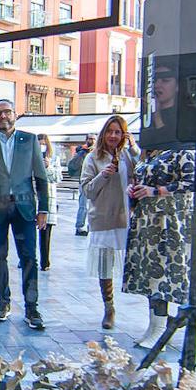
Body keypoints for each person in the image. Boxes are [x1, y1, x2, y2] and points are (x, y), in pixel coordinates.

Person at [0, 98, 49, 330]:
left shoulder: (30, 140)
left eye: (7, 112)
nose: (3, 116)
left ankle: (31, 307)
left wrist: (43, 208)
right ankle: (3, 302)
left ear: (15, 114)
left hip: (24, 209)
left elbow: (41, 178)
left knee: (29, 258)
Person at [123, 148, 196, 348]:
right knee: (150, 276)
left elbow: (191, 183)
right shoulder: (149, 154)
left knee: (161, 276)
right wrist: (134, 190)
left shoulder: (182, 153)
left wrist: (156, 191)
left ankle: (160, 329)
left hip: (168, 222)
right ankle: (154, 327)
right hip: (147, 222)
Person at [82, 115, 138, 330]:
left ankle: (156, 312)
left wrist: (133, 148)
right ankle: (109, 307)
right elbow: (87, 190)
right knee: (105, 265)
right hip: (104, 217)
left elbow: (142, 170)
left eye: (118, 132)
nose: (113, 136)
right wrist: (103, 175)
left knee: (132, 263)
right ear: (104, 133)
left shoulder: (127, 156)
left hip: (127, 217)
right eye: (110, 131)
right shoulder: (93, 158)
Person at [37, 133, 61, 270]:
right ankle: (27, 258)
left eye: (43, 144)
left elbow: (57, 178)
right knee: (28, 231)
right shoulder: (30, 157)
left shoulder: (53, 158)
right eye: (39, 144)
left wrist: (48, 167)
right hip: (33, 197)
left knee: (46, 231)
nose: (41, 147)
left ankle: (45, 261)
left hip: (49, 197)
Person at [68, 135, 93, 235]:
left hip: (98, 182)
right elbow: (74, 165)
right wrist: (82, 152)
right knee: (83, 206)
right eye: (90, 139)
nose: (92, 141)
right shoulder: (81, 153)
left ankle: (91, 226)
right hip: (84, 182)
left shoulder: (98, 152)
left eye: (94, 139)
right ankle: (80, 227)